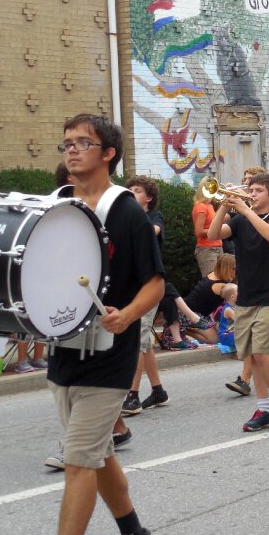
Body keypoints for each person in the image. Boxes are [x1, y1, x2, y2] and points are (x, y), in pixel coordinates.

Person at [48, 113, 164, 535]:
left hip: (110, 353)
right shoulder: (59, 203)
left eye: (83, 142)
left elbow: (155, 282)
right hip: (64, 350)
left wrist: (128, 314)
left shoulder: (126, 210)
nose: (72, 149)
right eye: (67, 143)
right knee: (98, 455)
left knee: (78, 460)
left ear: (108, 153)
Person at [207, 172, 269, 432]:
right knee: (252, 356)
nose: (252, 194)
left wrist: (244, 207)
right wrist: (224, 205)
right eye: (250, 190)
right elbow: (212, 233)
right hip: (246, 296)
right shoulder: (240, 221)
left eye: (258, 191)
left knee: (262, 352)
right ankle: (264, 408)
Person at [121, 176, 170, 417]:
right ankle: (158, 390)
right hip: (131, 288)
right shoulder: (127, 220)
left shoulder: (153, 217)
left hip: (149, 287)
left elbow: (154, 231)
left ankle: (132, 395)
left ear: (148, 197)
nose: (131, 192)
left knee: (138, 340)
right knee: (143, 342)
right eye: (129, 189)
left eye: (137, 190)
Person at [192, 185, 223, 276]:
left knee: (222, 280)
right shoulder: (201, 207)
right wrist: (216, 230)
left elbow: (215, 221)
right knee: (212, 282)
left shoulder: (209, 206)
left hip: (216, 247)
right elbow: (199, 232)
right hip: (207, 249)